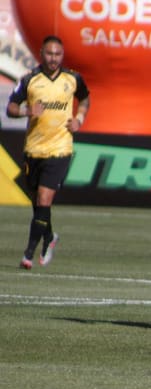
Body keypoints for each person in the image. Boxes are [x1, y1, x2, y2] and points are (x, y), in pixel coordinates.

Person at [6, 35, 90, 270]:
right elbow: (10, 107)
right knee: (39, 205)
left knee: (44, 199)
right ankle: (50, 237)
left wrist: (79, 119)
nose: (54, 59)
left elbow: (84, 99)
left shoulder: (73, 78)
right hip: (33, 149)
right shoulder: (30, 80)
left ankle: (28, 253)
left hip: (60, 149)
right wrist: (25, 110)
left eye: (58, 54)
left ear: (62, 56)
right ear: (41, 54)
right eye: (50, 54)